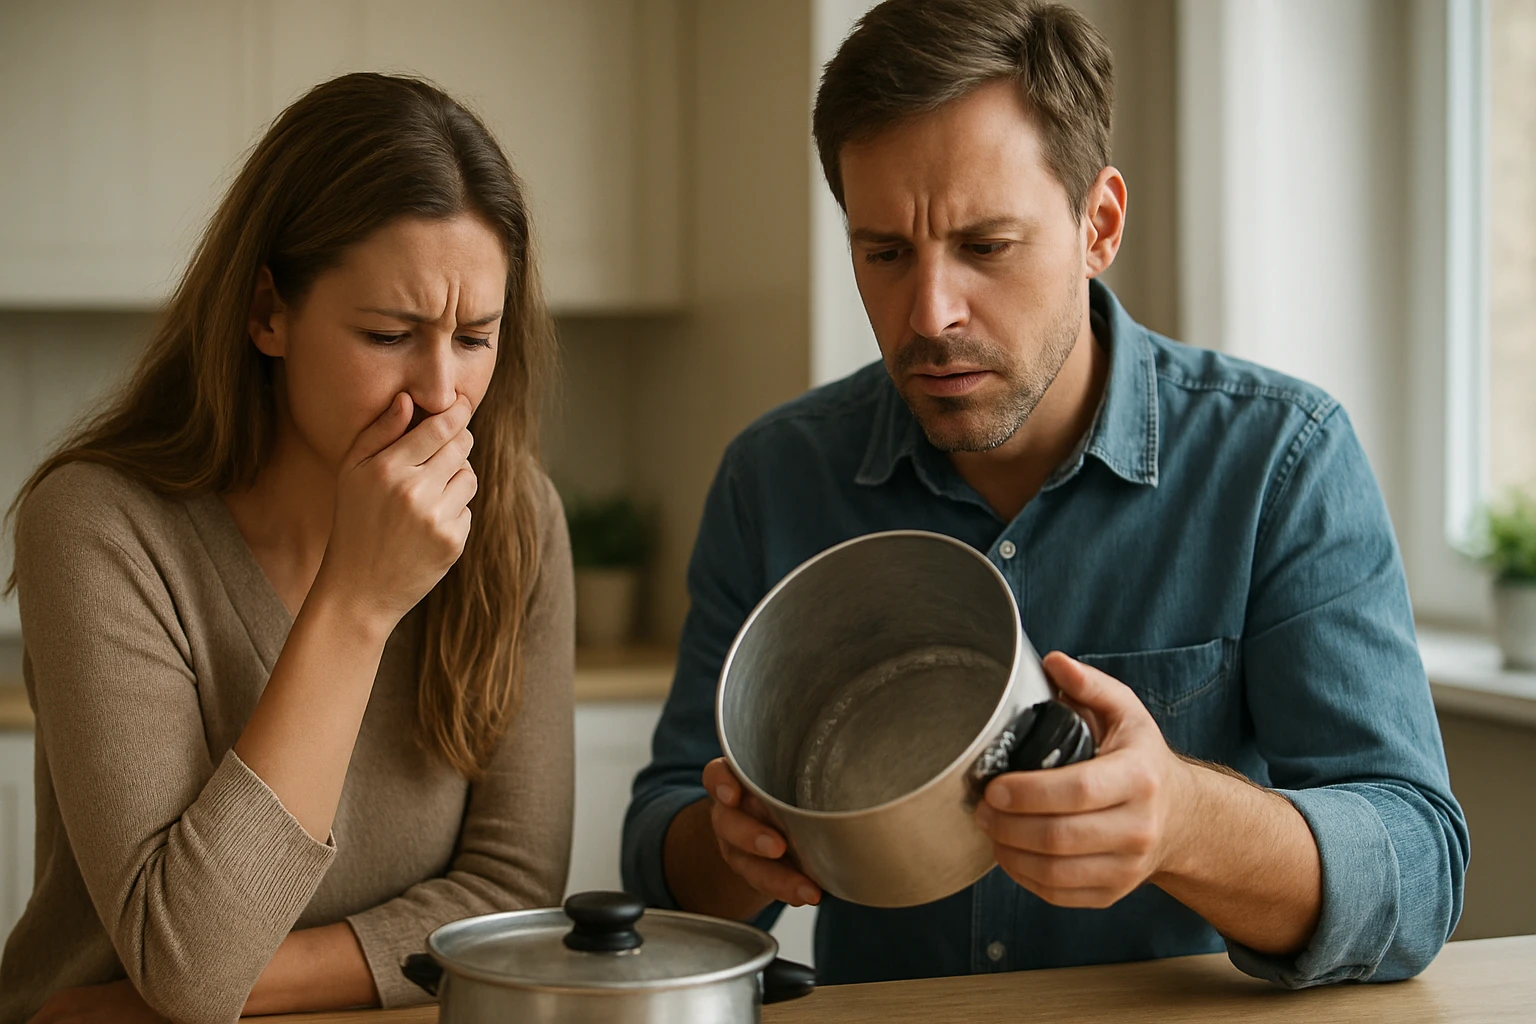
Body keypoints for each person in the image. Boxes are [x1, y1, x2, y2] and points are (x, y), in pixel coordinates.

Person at [622, 0, 1468, 989]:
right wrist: (733, 845)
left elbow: (1420, 870)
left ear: (1098, 224)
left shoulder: (1282, 459)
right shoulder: (774, 478)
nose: (929, 313)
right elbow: (661, 850)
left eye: (987, 246)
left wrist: (1184, 820)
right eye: (884, 252)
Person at [0, 73, 573, 1023]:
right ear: (269, 312)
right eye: (391, 334)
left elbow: (511, 896)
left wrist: (191, 994)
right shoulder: (100, 527)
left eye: (475, 338)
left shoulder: (517, 521)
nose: (441, 393)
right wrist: (357, 602)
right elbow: (190, 957)